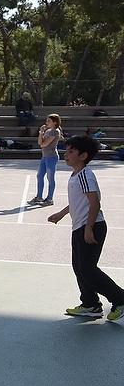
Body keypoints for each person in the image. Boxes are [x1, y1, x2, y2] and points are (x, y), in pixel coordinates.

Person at [46, 135, 124, 321]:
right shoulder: (76, 175)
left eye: (71, 151)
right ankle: (90, 304)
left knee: (88, 269)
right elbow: (77, 201)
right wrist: (61, 214)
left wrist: (89, 228)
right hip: (79, 227)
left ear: (83, 156)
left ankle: (120, 300)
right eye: (67, 150)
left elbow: (94, 203)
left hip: (91, 226)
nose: (67, 154)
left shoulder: (85, 175)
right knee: (79, 267)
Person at [27, 114, 63, 207]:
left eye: (49, 121)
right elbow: (40, 143)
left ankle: (49, 198)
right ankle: (39, 197)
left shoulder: (55, 132)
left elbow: (44, 144)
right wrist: (41, 132)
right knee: (39, 176)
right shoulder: (48, 131)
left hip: (51, 157)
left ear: (54, 122)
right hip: (44, 156)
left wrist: (43, 141)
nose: (46, 123)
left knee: (50, 177)